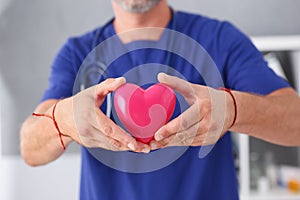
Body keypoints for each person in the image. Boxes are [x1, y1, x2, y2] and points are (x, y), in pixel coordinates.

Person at [20, 0, 300, 199]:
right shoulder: (76, 53)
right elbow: (30, 149)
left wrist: (234, 110)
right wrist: (61, 121)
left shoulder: (220, 39)